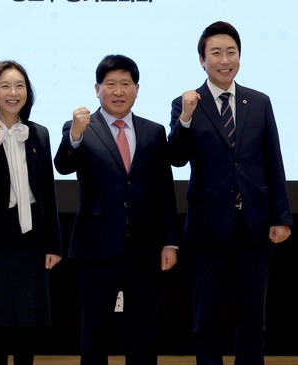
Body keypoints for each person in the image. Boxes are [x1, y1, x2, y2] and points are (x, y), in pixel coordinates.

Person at [167, 21, 292, 365]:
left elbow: (273, 161)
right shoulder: (186, 103)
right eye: (216, 53)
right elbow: (176, 157)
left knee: (252, 315)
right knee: (206, 317)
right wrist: (186, 118)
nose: (224, 60)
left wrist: (281, 217)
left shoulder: (259, 102)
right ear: (202, 60)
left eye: (231, 52)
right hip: (208, 227)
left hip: (254, 225)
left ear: (239, 56)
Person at [54, 54, 178, 365]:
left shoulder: (153, 131)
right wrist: (75, 135)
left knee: (143, 328)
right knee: (95, 329)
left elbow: (164, 189)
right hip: (96, 245)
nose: (118, 91)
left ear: (137, 89)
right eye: (111, 84)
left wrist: (169, 242)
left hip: (144, 245)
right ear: (97, 89)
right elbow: (63, 165)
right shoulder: (81, 127)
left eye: (125, 84)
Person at [0, 60, 62, 365]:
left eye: (20, 86)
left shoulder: (39, 133)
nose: (13, 93)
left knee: (28, 320)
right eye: (5, 86)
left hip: (31, 236)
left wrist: (53, 244)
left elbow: (47, 191)